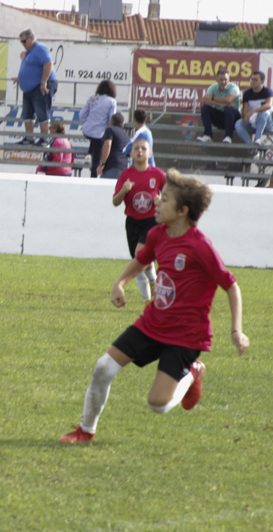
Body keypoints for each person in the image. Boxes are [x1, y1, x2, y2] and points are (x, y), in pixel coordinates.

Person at [59, 168, 248, 444]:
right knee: (103, 367)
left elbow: (231, 285)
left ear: (182, 210)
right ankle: (85, 431)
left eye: (165, 198)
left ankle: (194, 371)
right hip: (152, 323)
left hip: (185, 335)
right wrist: (120, 282)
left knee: (157, 404)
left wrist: (236, 330)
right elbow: (143, 259)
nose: (156, 200)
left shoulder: (200, 247)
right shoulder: (158, 234)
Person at [112, 137, 165, 303]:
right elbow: (115, 201)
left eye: (143, 148)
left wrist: (160, 202)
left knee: (139, 255)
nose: (140, 151)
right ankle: (150, 288)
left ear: (149, 153)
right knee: (139, 262)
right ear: (131, 153)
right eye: (136, 149)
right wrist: (124, 190)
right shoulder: (125, 175)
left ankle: (148, 301)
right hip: (132, 221)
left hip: (152, 221)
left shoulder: (158, 174)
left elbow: (171, 197)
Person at [14, 29, 58, 144]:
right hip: (30, 88)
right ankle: (29, 138)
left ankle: (45, 138)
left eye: (24, 41)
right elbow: (33, 68)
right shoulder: (30, 51)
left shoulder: (40, 48)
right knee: (27, 113)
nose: (23, 44)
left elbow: (48, 63)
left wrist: (44, 82)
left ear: (32, 38)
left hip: (40, 86)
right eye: (21, 42)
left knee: (42, 111)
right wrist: (22, 78)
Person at [80, 80, 117, 169]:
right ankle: (94, 175)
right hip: (100, 133)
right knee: (97, 157)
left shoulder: (92, 98)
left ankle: (89, 154)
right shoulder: (112, 101)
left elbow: (81, 115)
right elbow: (112, 119)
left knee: (94, 140)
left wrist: (88, 122)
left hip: (87, 130)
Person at [198, 69, 241, 143]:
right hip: (220, 117)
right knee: (205, 108)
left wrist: (212, 98)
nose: (223, 82)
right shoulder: (213, 87)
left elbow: (229, 100)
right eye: (221, 79)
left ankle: (228, 136)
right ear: (217, 79)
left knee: (229, 108)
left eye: (225, 79)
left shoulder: (234, 87)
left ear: (229, 79)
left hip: (233, 118)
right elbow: (204, 101)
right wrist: (221, 104)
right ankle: (207, 135)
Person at [233, 71, 273, 145]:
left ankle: (257, 138)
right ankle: (250, 145)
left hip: (267, 122)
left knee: (263, 113)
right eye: (252, 79)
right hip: (253, 122)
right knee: (238, 124)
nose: (253, 82)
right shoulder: (247, 93)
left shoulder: (267, 91)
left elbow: (268, 105)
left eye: (255, 80)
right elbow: (245, 109)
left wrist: (253, 111)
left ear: (262, 81)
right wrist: (245, 116)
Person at [97, 113, 131, 180]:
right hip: (124, 167)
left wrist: (102, 163)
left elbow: (108, 144)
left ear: (111, 122)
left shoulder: (110, 130)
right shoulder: (126, 136)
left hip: (111, 166)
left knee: (104, 189)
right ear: (122, 123)